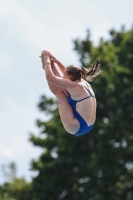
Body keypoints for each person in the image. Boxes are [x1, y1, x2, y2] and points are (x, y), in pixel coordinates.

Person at [40, 50, 101, 136]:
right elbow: (66, 72)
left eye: (64, 75)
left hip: (77, 127)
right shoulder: (83, 82)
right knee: (63, 87)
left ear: (70, 77)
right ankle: (49, 66)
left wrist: (47, 62)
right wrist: (55, 61)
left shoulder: (73, 85)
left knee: (60, 92)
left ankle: (46, 67)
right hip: (89, 125)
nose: (63, 76)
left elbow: (50, 77)